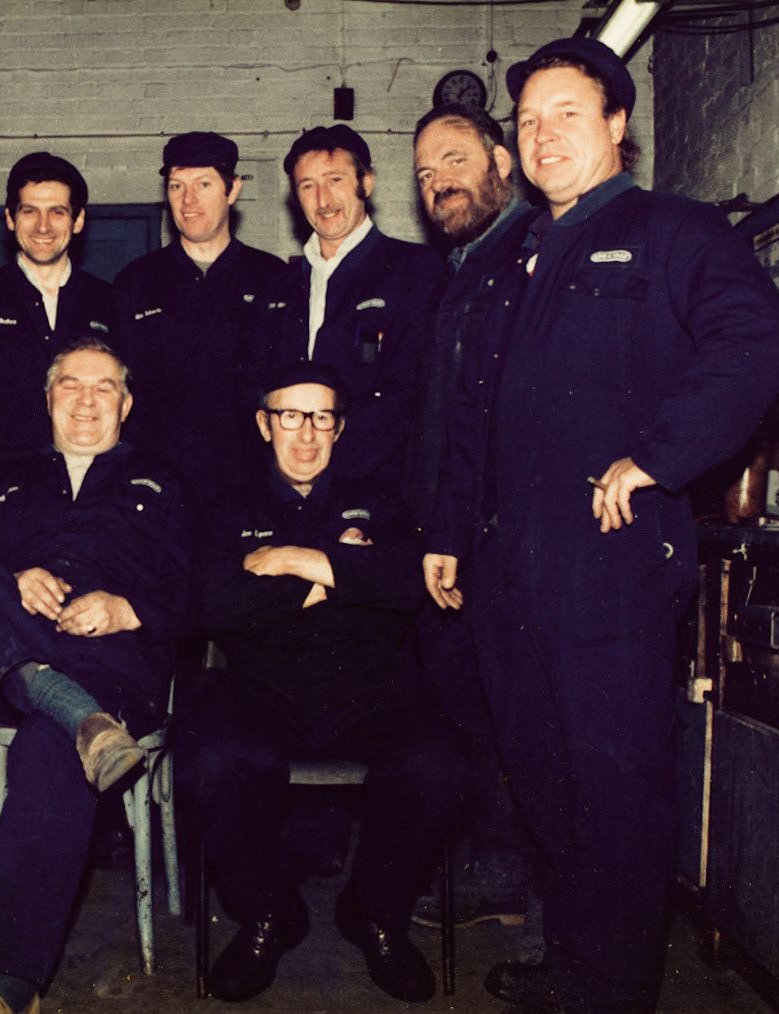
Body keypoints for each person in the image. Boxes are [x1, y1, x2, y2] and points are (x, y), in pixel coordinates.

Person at [422, 39, 779, 1014]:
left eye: (567, 114)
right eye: (529, 121)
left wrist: (662, 455)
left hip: (611, 577)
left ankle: (613, 992)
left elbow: (757, 339)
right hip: (510, 582)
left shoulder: (671, 232)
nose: (543, 136)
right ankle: (578, 961)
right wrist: (451, 533)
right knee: (547, 792)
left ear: (618, 124)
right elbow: (475, 412)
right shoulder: (513, 258)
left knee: (617, 798)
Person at [0, 340, 190, 1014]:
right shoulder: (4, 479)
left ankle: (10, 987)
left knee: (48, 748)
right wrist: (11, 582)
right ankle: (74, 712)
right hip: (10, 655)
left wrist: (127, 607)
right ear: (48, 400)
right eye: (72, 385)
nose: (88, 400)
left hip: (112, 661)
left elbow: (198, 596)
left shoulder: (162, 483)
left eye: (105, 388)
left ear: (126, 404)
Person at [184, 361, 466, 1004]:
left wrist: (294, 562)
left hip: (372, 687)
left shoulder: (384, 499)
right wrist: (344, 577)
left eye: (321, 417)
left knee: (439, 765)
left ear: (339, 428)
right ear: (264, 424)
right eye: (289, 415)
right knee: (218, 760)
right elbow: (216, 607)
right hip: (262, 686)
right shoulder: (227, 506)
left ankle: (376, 912)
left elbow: (407, 588)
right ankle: (268, 914)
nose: (306, 434)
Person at [408, 103, 541, 931]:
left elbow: (492, 424)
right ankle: (493, 861)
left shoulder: (526, 256)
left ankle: (508, 878)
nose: (440, 182)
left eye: (454, 160)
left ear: (500, 157)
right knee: (475, 705)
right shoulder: (470, 265)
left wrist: (460, 535)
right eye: (426, 174)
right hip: (459, 538)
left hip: (498, 544)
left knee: (505, 714)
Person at [248, 125, 444, 487]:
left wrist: (323, 474)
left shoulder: (414, 270)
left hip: (378, 490)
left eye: (335, 179)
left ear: (365, 183)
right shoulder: (278, 286)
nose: (323, 199)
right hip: (287, 490)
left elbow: (408, 394)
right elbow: (257, 389)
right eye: (307, 186)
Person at [113, 131, 284, 497]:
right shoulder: (136, 282)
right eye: (176, 186)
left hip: (251, 490)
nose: (188, 200)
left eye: (203, 183)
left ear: (232, 190)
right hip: (157, 490)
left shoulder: (273, 278)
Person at [0, 151, 113, 511]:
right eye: (29, 211)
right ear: (9, 218)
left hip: (90, 501)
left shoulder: (110, 303)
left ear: (79, 220)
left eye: (57, 211)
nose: (43, 226)